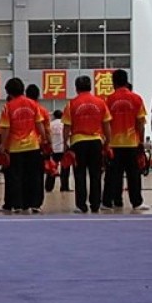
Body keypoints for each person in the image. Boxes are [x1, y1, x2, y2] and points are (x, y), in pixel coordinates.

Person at [62, 75, 111, 213]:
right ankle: (95, 204)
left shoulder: (71, 104)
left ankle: (81, 205)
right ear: (91, 87)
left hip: (78, 142)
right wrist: (107, 142)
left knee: (79, 174)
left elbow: (67, 126)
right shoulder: (100, 103)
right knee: (96, 174)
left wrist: (65, 143)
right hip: (96, 141)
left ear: (76, 88)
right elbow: (106, 125)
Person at [0, 78, 47, 213]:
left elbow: (6, 128)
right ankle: (34, 204)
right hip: (33, 145)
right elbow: (39, 124)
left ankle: (18, 204)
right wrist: (44, 139)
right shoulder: (33, 104)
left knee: (16, 177)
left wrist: (3, 144)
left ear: (8, 91)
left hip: (15, 147)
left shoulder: (8, 107)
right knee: (33, 176)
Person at [102, 69, 148, 211]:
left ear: (113, 82)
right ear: (127, 81)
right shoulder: (136, 99)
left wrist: (106, 143)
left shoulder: (108, 100)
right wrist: (141, 141)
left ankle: (109, 202)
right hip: (132, 143)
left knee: (112, 175)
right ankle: (137, 202)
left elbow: (105, 124)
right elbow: (140, 123)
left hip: (114, 144)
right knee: (133, 174)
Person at [45, 109, 71, 192]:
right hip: (63, 148)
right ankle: (64, 187)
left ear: (54, 116)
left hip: (53, 149)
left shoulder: (50, 124)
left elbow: (47, 134)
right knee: (65, 169)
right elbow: (69, 134)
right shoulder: (64, 124)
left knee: (52, 168)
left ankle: (49, 187)